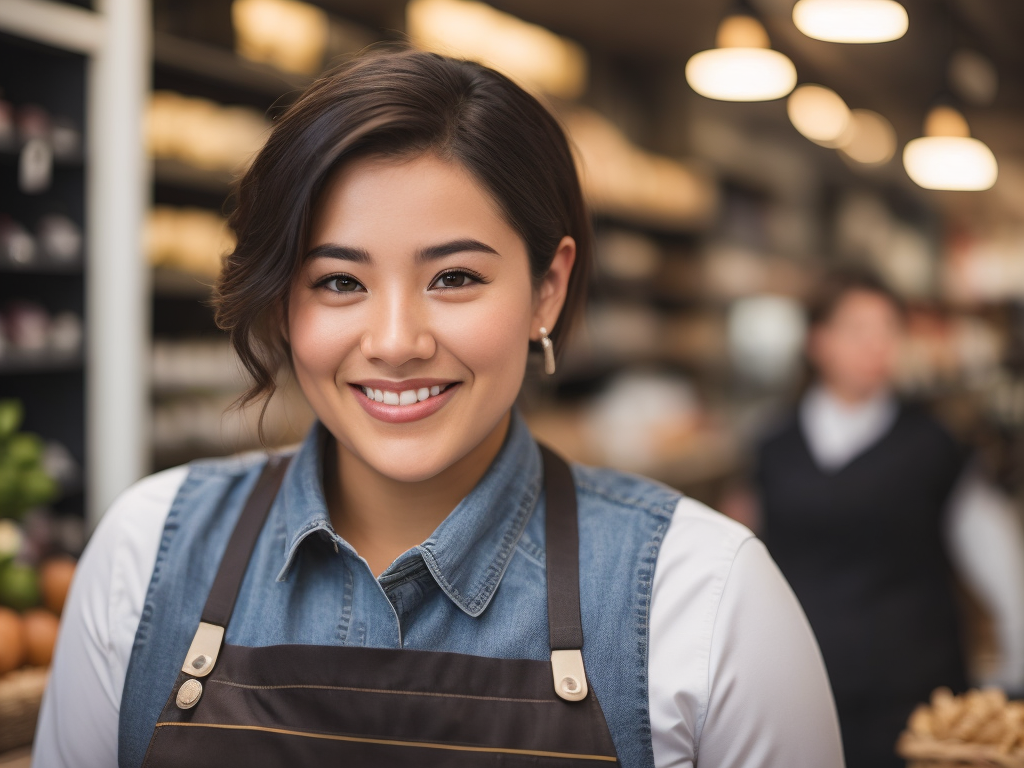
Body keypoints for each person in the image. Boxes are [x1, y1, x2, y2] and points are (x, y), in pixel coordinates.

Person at [34, 48, 843, 768]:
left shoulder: (704, 599)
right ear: (284, 302)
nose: (394, 341)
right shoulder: (145, 558)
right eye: (339, 282)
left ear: (546, 290)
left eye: (454, 277)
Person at [751, 268, 1024, 768]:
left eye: (888, 331)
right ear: (818, 341)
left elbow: (993, 549)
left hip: (914, 688)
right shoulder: (772, 448)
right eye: (857, 330)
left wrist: (1016, 656)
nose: (876, 346)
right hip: (805, 682)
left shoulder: (936, 445)